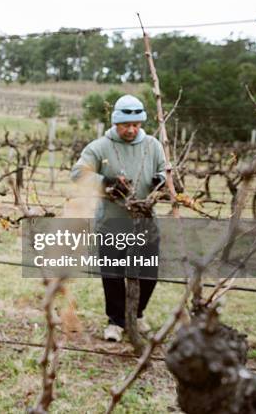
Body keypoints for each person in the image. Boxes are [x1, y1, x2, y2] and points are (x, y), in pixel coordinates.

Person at [71, 94, 165, 342]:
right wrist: (106, 183)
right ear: (116, 123)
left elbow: (166, 173)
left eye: (136, 125)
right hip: (111, 224)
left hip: (146, 225)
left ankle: (137, 314)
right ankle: (116, 321)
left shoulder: (153, 145)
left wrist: (162, 183)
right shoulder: (100, 147)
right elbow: (78, 173)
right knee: (113, 276)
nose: (131, 130)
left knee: (148, 275)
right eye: (126, 125)